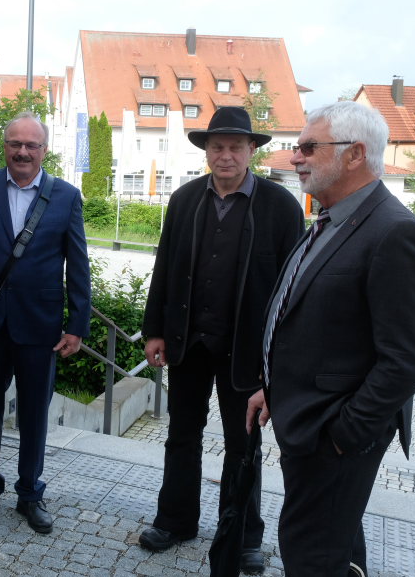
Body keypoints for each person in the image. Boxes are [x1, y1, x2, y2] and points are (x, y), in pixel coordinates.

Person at [246, 101, 415, 577]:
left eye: (309, 147)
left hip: (332, 436)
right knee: (336, 546)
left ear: (354, 154)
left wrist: (342, 436)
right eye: (297, 146)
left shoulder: (395, 233)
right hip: (307, 419)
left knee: (311, 554)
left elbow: (407, 360)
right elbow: (313, 325)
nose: (295, 157)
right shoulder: (333, 218)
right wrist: (275, 387)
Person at [137, 107, 303, 574]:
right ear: (206, 151)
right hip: (189, 342)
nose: (225, 155)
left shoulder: (281, 206)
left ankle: (243, 535)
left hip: (246, 352)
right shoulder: (185, 199)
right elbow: (165, 267)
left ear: (252, 150)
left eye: (234, 147)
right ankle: (175, 520)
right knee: (181, 435)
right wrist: (154, 330)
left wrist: (279, 361)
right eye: (217, 146)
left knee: (243, 446)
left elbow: (293, 290)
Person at [0, 111, 91, 534]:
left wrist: (77, 324)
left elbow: (78, 265)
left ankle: (30, 493)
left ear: (44, 150)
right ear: (4, 146)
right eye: (15, 144)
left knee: (34, 414)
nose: (22, 152)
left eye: (31, 145)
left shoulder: (66, 196)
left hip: (40, 325)